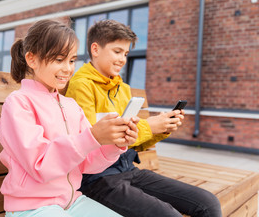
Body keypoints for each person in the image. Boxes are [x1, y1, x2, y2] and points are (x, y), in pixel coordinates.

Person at [65, 19, 222, 217]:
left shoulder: (123, 89)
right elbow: (93, 143)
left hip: (128, 168)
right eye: (117, 51)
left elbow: (133, 143)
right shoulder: (81, 86)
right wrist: (150, 126)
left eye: (126, 53)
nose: (123, 59)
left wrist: (162, 128)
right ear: (95, 49)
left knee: (208, 203)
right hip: (97, 178)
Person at [0, 19, 139, 217]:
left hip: (72, 202)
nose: (67, 69)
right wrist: (92, 136)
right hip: (31, 207)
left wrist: (114, 143)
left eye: (71, 60)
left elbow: (88, 163)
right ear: (32, 59)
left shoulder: (70, 105)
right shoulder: (19, 104)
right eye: (58, 59)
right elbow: (40, 165)